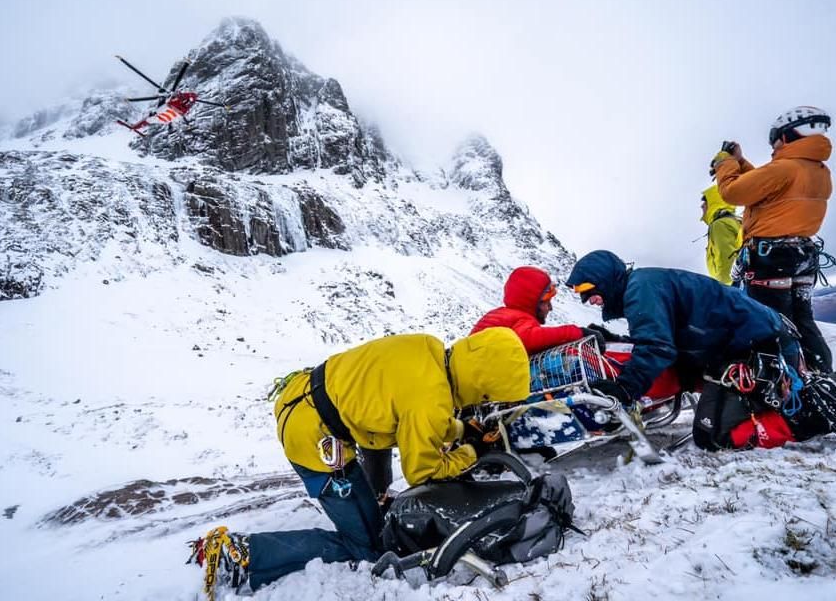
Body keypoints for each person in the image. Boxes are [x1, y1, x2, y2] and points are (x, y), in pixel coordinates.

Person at [187, 328, 530, 596]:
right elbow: (423, 471)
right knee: (365, 545)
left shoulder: (429, 350)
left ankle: (369, 504)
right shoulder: (431, 398)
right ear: (482, 384)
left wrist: (459, 429)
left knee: (375, 514)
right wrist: (472, 452)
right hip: (314, 437)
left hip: (304, 395)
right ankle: (243, 553)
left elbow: (415, 410)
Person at [565, 250, 803, 451]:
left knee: (714, 435)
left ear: (606, 279)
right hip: (734, 348)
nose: (588, 299)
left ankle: (796, 421)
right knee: (683, 378)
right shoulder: (643, 285)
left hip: (762, 347)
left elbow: (657, 347)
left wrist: (624, 390)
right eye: (581, 295)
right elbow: (661, 336)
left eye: (589, 289)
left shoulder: (641, 289)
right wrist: (616, 339)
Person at [712, 106, 833, 372]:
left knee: (770, 322)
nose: (774, 146)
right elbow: (766, 188)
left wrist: (725, 164)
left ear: (788, 136)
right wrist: (741, 163)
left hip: (771, 257)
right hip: (802, 255)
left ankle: (781, 386)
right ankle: (823, 378)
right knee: (803, 320)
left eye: (775, 139)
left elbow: (733, 192)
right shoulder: (817, 171)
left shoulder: (785, 168)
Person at [471, 265, 608, 353]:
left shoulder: (500, 314)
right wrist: (578, 332)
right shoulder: (522, 318)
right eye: (547, 302)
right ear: (533, 301)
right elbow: (528, 340)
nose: (550, 308)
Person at [700, 184, 742, 285]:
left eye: (705, 203)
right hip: (740, 281)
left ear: (713, 203)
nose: (701, 206)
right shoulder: (733, 221)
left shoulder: (719, 225)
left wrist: (722, 287)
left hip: (730, 285)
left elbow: (726, 260)